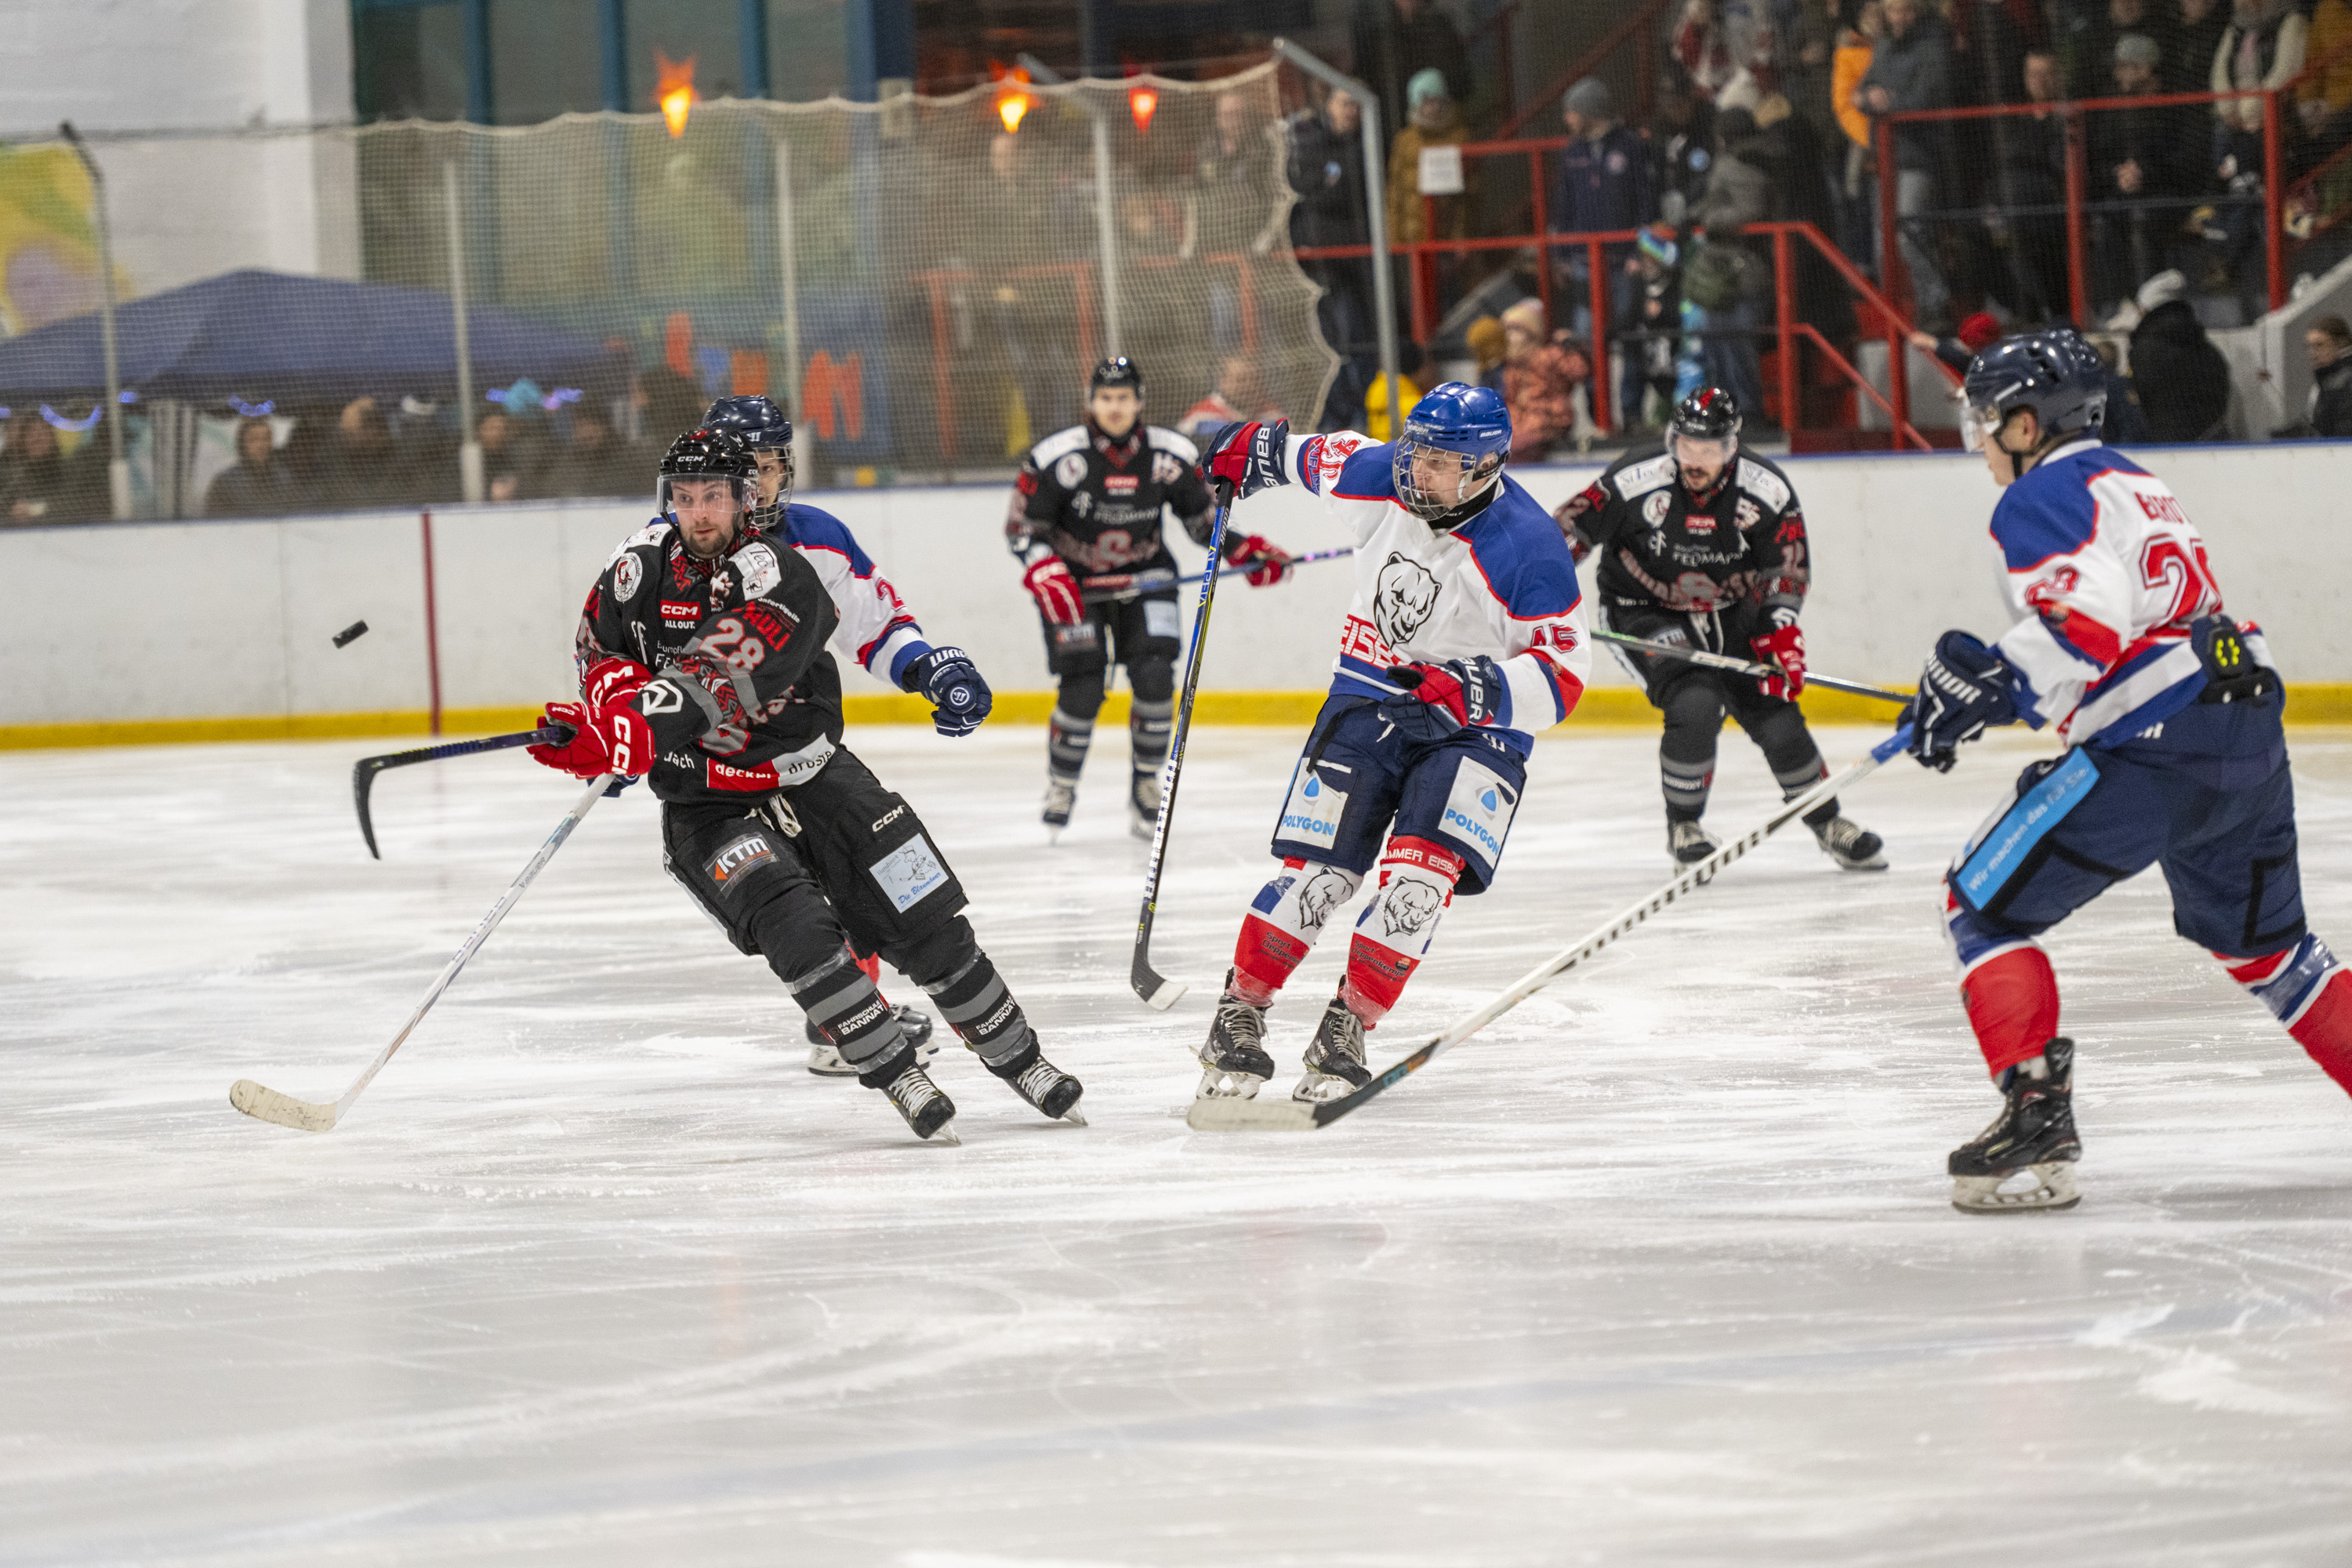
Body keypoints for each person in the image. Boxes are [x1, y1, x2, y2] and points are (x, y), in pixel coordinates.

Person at [527, 425, 1080, 1145]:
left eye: (716, 497)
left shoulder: (778, 571)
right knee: (799, 931)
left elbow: (723, 668)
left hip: (816, 777)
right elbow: (602, 652)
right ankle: (896, 1070)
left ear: (745, 500)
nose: (699, 513)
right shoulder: (635, 568)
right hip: (708, 804)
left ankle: (1021, 1060)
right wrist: (608, 721)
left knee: (927, 922)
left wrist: (641, 725)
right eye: (686, 497)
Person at [1909, 328, 2352, 1212]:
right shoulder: (2133, 480)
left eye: (1990, 421)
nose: (1982, 440)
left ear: (2028, 425)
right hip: (2246, 723)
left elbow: (2093, 619)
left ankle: (2035, 1118)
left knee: (1982, 904)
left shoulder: (2039, 495)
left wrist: (1994, 683)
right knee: (2273, 952)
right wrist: (1989, 685)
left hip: (2158, 738)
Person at [1189, 384, 1591, 1102]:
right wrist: (1248, 447)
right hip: (1369, 692)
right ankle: (1238, 1013)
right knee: (1319, 875)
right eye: (1416, 451)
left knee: (1417, 886)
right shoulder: (1385, 474)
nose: (1417, 472)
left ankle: (1348, 1026)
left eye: (1439, 461)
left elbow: (1564, 673)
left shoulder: (1529, 549)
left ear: (1484, 466)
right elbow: (1309, 453)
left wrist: (1481, 688)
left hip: (1476, 728)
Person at [700, 391, 958, 1074]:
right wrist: (616, 731)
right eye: (739, 467)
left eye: (768, 464)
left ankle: (847, 1016)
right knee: (790, 896)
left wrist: (928, 668)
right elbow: (624, 651)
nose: (757, 482)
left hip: (802, 748)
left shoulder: (815, 535)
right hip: (715, 765)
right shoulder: (669, 551)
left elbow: (873, 623)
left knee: (852, 869)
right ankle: (842, 1019)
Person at [1554, 387, 1886, 870]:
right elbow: (1569, 531)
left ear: (1732, 447)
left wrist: (1779, 630)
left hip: (1733, 611)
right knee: (1695, 701)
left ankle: (1828, 822)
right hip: (1642, 609)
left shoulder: (1765, 489)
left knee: (1773, 707)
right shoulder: (1635, 479)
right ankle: (1684, 826)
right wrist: (1539, 596)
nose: (1696, 459)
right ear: (1672, 440)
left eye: (1708, 450)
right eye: (1687, 446)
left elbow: (1787, 569)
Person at [1007, 357, 1294, 837]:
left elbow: (1203, 522)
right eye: (1105, 398)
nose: (1114, 407)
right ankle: (1062, 783)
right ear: (1091, 403)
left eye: (1123, 398)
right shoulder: (1056, 457)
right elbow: (1022, 529)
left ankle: (1145, 784)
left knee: (1156, 676)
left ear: (1139, 401)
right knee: (1082, 684)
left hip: (1148, 579)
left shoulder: (1171, 454)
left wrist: (1245, 550)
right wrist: (1043, 567)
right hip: (1076, 588)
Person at [1554, 76, 1657, 426]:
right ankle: (1598, 412)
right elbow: (1563, 207)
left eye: (1572, 112)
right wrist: (1562, 257)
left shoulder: (1630, 146)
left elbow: (1646, 202)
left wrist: (1639, 252)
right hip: (1584, 263)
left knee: (1631, 336)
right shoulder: (1572, 153)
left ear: (1589, 112)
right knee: (1586, 340)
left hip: (1624, 262)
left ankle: (1631, 410)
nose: (1568, 120)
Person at [1860, 0, 1955, 326]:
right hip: (1884, 157)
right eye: (1893, 10)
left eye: (1905, 10)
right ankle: (1896, 315)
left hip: (1917, 157)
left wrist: (1886, 104)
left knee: (1910, 235)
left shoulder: (1932, 46)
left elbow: (1928, 96)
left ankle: (1935, 304)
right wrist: (1867, 98)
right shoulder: (1884, 46)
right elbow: (1862, 90)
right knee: (1882, 242)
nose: (1899, 18)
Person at [2127, 269, 2233, 441]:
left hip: (2166, 448)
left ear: (2146, 311)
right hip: (2212, 441)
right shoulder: (2205, 346)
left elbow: (2139, 405)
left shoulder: (2145, 352)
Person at [1348, 0, 1473, 143]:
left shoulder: (1439, 26)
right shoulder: (1377, 30)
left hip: (1436, 122)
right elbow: (1366, 71)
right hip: (1390, 119)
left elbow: (1459, 77)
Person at [1497, 298, 1588, 459]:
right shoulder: (1511, 365)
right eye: (1507, 331)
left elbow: (1579, 371)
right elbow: (1512, 400)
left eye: (1515, 330)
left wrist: (1570, 347)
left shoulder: (1548, 356)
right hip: (1524, 424)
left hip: (1550, 421)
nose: (1509, 336)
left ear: (1531, 332)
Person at [204, 416, 298, 518]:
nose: (261, 445)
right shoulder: (225, 483)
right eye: (254, 440)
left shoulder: (285, 478)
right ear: (243, 444)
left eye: (266, 438)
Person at [2279, 315, 2352, 437]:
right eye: (2309, 347)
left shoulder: (2344, 383)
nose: (2313, 354)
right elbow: (2313, 423)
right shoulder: (2321, 385)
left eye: (2320, 345)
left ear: (2340, 345)